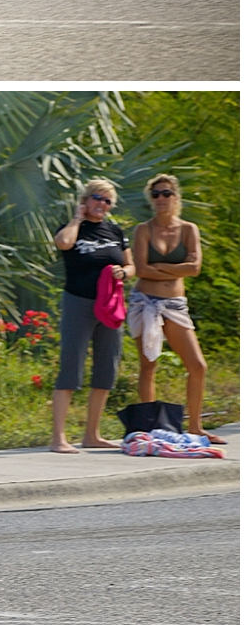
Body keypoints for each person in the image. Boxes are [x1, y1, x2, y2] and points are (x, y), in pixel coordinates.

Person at [128, 174, 224, 444]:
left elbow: (195, 269)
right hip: (145, 301)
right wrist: (176, 269)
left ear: (176, 197)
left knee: (198, 365)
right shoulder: (143, 230)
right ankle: (150, 429)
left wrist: (160, 267)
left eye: (166, 193)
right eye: (156, 194)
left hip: (175, 305)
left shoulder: (188, 229)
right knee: (149, 365)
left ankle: (195, 427)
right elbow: (142, 269)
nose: (161, 198)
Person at [50, 178, 135, 453]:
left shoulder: (115, 231)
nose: (102, 204)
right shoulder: (73, 228)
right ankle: (58, 438)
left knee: (106, 366)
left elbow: (131, 265)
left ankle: (92, 434)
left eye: (108, 201)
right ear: (85, 200)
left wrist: (124, 273)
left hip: (110, 305)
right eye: (97, 198)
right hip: (79, 302)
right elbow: (63, 244)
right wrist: (77, 218)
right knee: (71, 365)